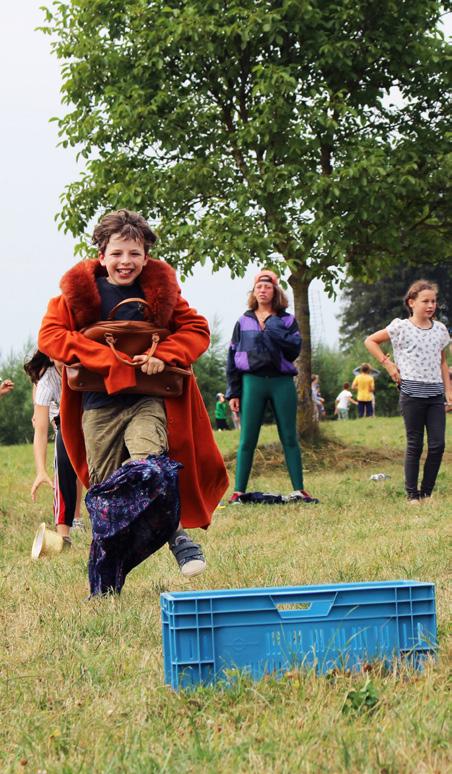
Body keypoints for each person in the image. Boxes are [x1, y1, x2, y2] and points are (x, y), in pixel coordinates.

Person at [38, 208, 228, 584]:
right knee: (108, 496)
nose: (126, 262)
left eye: (135, 253)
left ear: (146, 255)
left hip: (146, 399)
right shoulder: (77, 292)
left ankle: (178, 539)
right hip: (97, 406)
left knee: (150, 469)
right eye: (117, 253)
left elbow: (196, 328)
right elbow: (51, 336)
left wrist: (164, 355)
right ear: (102, 253)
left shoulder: (161, 289)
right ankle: (106, 582)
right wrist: (107, 360)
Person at [226, 269, 318, 504]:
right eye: (259, 287)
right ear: (253, 292)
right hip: (251, 382)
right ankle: (238, 491)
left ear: (275, 291)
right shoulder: (243, 320)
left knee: (289, 436)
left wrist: (273, 326)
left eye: (267, 287)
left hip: (281, 381)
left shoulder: (286, 320)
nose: (263, 290)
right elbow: (232, 356)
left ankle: (300, 489)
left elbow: (293, 349)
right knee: (247, 438)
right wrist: (233, 392)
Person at [365, 279, 451, 503]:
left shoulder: (440, 330)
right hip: (411, 394)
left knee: (438, 445)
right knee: (415, 444)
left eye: (433, 301)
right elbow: (370, 341)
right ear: (412, 303)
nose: (431, 305)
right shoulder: (400, 327)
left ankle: (426, 492)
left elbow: (442, 363)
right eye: (425, 301)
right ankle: (412, 495)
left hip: (435, 395)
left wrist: (448, 391)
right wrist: (388, 364)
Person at [24, 350, 84, 539]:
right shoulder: (46, 381)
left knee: (90, 470)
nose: (64, 361)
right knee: (65, 463)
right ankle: (63, 535)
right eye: (58, 356)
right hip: (63, 417)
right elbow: (40, 432)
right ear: (50, 357)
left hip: (91, 414)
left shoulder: (84, 367)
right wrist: (41, 470)